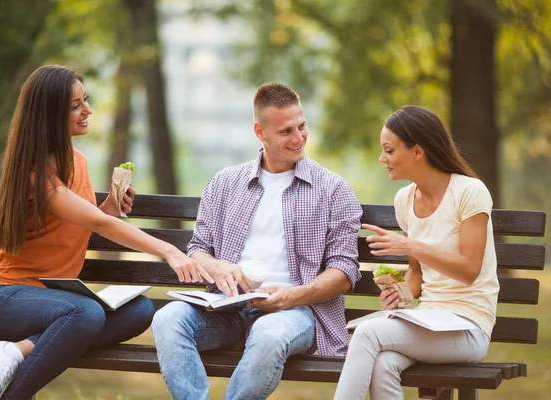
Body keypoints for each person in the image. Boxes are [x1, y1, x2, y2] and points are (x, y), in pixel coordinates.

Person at [0, 65, 213, 400]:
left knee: (141, 310)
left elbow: (92, 220)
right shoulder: (35, 171)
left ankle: (18, 351)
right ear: (49, 115)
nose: (87, 110)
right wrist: (171, 251)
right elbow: (99, 226)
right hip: (6, 299)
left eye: (84, 100)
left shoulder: (78, 161)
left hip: (57, 302)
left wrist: (112, 207)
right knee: (85, 313)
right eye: (75, 106)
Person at [151, 83, 363, 399]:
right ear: (259, 132)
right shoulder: (224, 183)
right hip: (225, 310)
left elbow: (345, 272)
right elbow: (199, 248)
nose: (299, 137)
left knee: (267, 333)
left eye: (302, 126)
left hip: (294, 313)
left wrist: (293, 296)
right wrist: (217, 266)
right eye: (286, 131)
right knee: (167, 318)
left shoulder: (332, 190)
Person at [333, 105, 499, 400]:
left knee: (368, 334)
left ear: (417, 152)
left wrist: (410, 245)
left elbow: (469, 270)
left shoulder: (470, 192)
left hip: (468, 327)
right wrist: (402, 294)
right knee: (383, 364)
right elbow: (417, 275)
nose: (382, 158)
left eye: (389, 150)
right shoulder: (404, 200)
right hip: (427, 320)